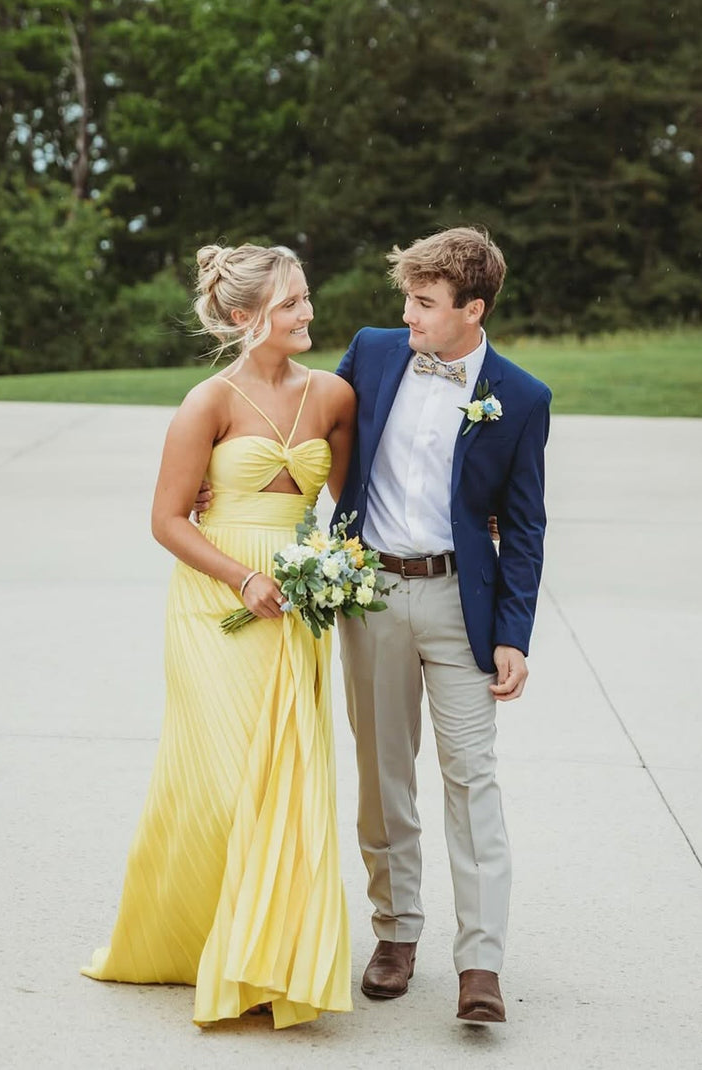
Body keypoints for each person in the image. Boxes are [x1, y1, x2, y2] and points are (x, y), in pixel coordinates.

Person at [82, 243, 356, 1030]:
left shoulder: (334, 396)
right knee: (221, 779)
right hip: (216, 603)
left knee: (288, 780)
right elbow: (167, 520)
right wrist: (241, 577)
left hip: (298, 605)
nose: (307, 313)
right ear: (244, 317)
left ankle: (270, 960)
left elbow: (359, 500)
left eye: (305, 298)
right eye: (291, 304)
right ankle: (193, 936)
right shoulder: (207, 402)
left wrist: (334, 568)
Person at [333, 226, 551, 1024]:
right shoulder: (374, 351)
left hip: (465, 609)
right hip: (373, 598)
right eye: (407, 298)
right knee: (384, 777)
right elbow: (311, 430)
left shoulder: (521, 398)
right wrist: (229, 475)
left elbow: (524, 526)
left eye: (424, 303)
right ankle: (395, 933)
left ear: (472, 308)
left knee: (472, 778)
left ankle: (481, 964)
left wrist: (513, 635)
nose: (408, 315)